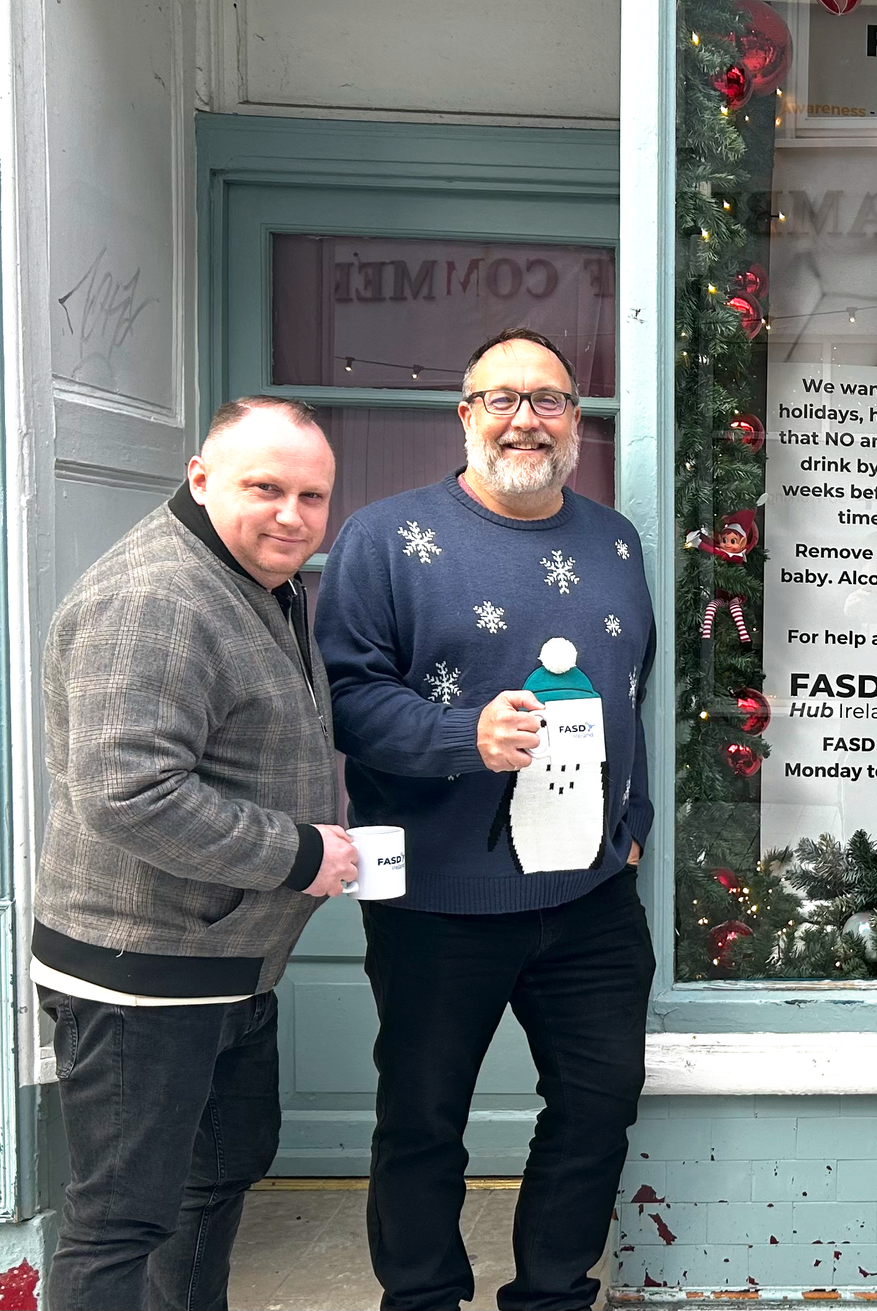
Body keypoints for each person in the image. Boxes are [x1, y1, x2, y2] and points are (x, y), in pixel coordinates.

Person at [315, 327, 657, 1311]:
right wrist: (466, 733)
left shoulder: (615, 538)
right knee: (423, 1120)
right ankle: (422, 1297)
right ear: (464, 414)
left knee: (594, 1109)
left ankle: (552, 1294)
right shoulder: (384, 537)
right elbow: (346, 697)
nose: (524, 417)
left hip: (591, 897)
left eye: (547, 398)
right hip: (436, 898)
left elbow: (632, 686)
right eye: (500, 398)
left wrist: (629, 821)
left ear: (576, 422)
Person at [32, 396, 355, 1311]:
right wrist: (300, 855)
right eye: (266, 488)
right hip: (144, 978)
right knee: (120, 1222)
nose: (292, 515)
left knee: (211, 1182)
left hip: (221, 967)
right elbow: (126, 794)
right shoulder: (155, 598)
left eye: (313, 496)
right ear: (201, 477)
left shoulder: (254, 579)